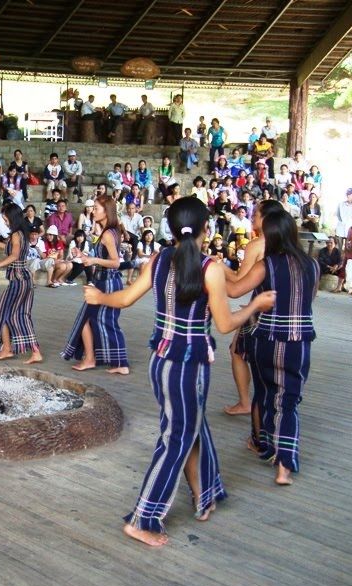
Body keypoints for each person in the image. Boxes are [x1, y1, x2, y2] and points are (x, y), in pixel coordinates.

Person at [84, 195, 276, 546]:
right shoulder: (210, 268)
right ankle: (144, 518)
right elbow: (224, 323)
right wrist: (256, 306)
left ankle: (205, 493)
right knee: (178, 437)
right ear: (207, 228)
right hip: (189, 365)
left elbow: (126, 298)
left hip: (161, 362)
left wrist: (99, 298)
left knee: (190, 427)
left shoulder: (158, 260)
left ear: (170, 229)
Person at [227, 210, 318, 486]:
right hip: (298, 342)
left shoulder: (266, 265)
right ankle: (284, 467)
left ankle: (262, 444)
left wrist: (216, 268)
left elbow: (234, 291)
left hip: (265, 340)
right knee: (288, 401)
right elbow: (309, 300)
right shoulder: (312, 265)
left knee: (265, 393)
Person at [62, 194, 130, 373]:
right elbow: (103, 259)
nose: (93, 211)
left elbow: (115, 262)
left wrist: (93, 260)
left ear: (106, 212)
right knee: (99, 321)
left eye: (97, 209)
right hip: (106, 281)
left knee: (98, 321)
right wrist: (85, 257)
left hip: (107, 283)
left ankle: (99, 360)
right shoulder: (111, 231)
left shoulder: (108, 233)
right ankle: (112, 362)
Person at [0, 203, 43, 363]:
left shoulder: (17, 234)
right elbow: (12, 248)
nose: (4, 220)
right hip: (22, 279)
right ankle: (31, 351)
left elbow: (15, 254)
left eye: (5, 218)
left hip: (18, 280)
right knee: (19, 315)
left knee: (3, 313)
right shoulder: (20, 233)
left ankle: (7, 349)